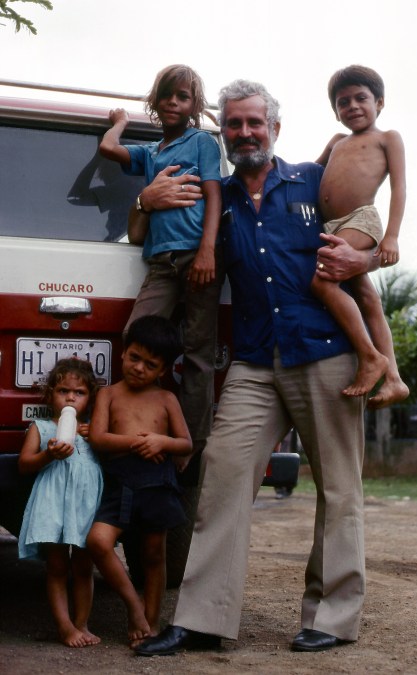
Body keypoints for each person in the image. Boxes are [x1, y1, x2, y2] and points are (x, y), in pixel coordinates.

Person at [133, 79, 379, 657]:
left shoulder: (315, 183)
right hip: (253, 360)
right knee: (222, 472)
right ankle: (201, 619)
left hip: (325, 352)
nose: (245, 133)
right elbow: (147, 229)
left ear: (275, 129)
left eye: (255, 123)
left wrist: (363, 253)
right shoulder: (210, 194)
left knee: (340, 489)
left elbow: (369, 226)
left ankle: (333, 617)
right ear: (224, 131)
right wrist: (143, 199)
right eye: (234, 125)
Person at [99, 64, 224, 463]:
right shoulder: (152, 153)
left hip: (196, 256)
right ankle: (139, 424)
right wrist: (120, 122)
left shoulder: (202, 142)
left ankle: (188, 448)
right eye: (166, 95)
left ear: (194, 105)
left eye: (183, 97)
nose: (173, 102)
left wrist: (208, 249)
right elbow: (108, 149)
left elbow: (214, 196)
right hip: (161, 262)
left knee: (198, 351)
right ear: (154, 101)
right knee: (136, 335)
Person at [87, 315, 192, 647]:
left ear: (162, 370)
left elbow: (186, 443)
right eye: (134, 358)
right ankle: (134, 606)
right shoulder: (108, 395)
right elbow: (99, 439)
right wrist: (137, 442)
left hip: (156, 481)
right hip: (119, 480)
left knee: (153, 554)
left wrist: (162, 442)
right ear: (123, 353)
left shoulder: (166, 400)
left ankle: (151, 621)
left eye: (150, 364)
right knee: (98, 542)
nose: (139, 368)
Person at [312, 65, 409, 407]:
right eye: (343, 102)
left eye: (360, 98)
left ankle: (370, 357)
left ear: (379, 103)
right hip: (331, 227)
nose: (352, 106)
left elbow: (399, 188)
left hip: (360, 221)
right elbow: (311, 172)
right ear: (336, 113)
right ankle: (395, 379)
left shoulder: (387, 138)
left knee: (322, 281)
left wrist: (392, 237)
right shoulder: (337, 142)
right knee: (368, 300)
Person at [18, 359, 103, 648]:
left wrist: (98, 438)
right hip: (52, 504)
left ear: (90, 397)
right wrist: (48, 455)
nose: (70, 397)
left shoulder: (93, 431)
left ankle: (82, 623)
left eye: (79, 392)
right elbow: (24, 465)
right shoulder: (41, 428)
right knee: (56, 566)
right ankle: (65, 626)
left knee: (83, 565)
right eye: (63, 390)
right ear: (50, 394)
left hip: (83, 506)